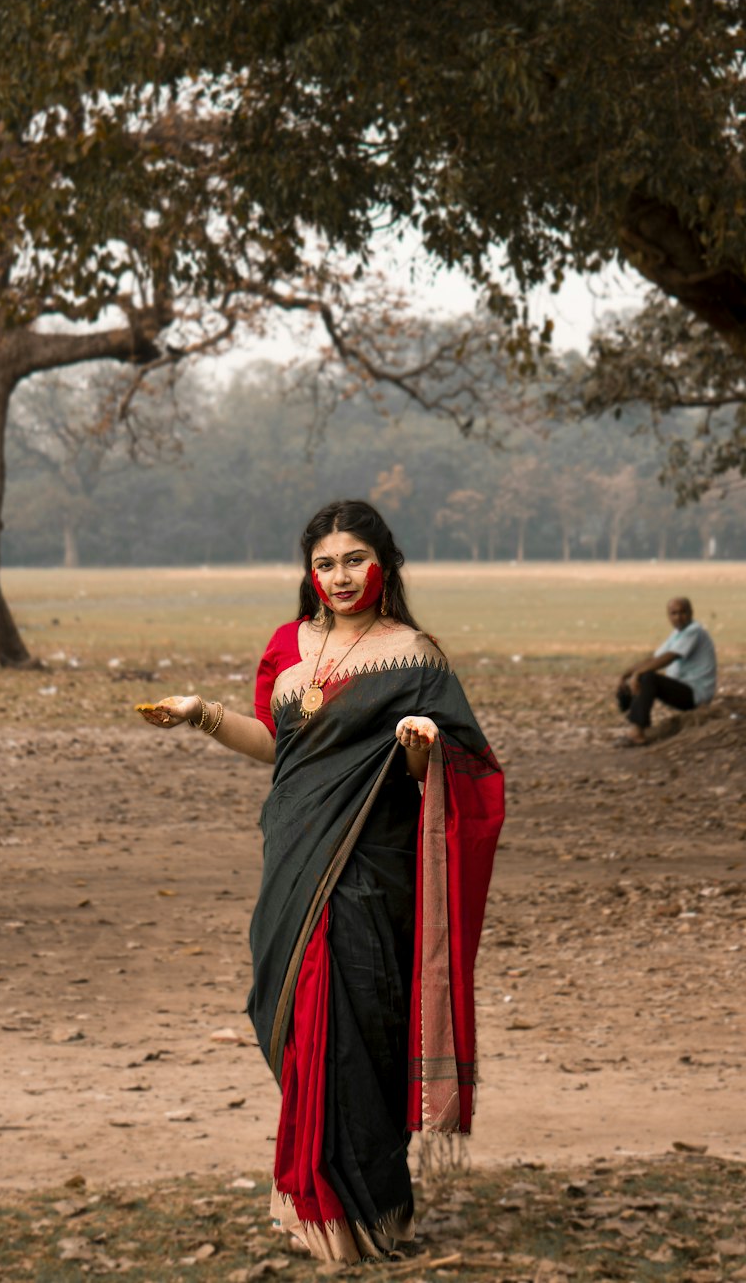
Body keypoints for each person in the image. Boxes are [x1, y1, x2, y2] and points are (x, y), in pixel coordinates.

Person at [138, 499, 505, 1262]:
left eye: (355, 560)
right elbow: (277, 747)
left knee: (359, 1027)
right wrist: (200, 712)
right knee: (299, 1025)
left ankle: (369, 1212)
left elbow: (449, 772)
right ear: (311, 571)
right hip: (294, 858)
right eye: (326, 563)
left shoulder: (416, 656)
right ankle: (311, 1205)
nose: (340, 576)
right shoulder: (286, 645)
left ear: (384, 565)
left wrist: (419, 745)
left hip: (370, 870)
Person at [616, 596, 717, 745]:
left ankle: (637, 732)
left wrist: (638, 674)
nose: (678, 617)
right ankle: (632, 721)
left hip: (695, 694)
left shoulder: (694, 631)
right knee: (638, 678)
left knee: (648, 677)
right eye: (673, 613)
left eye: (682, 612)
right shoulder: (677, 634)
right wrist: (627, 674)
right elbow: (655, 658)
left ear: (691, 613)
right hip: (683, 690)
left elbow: (669, 657)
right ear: (668, 616)